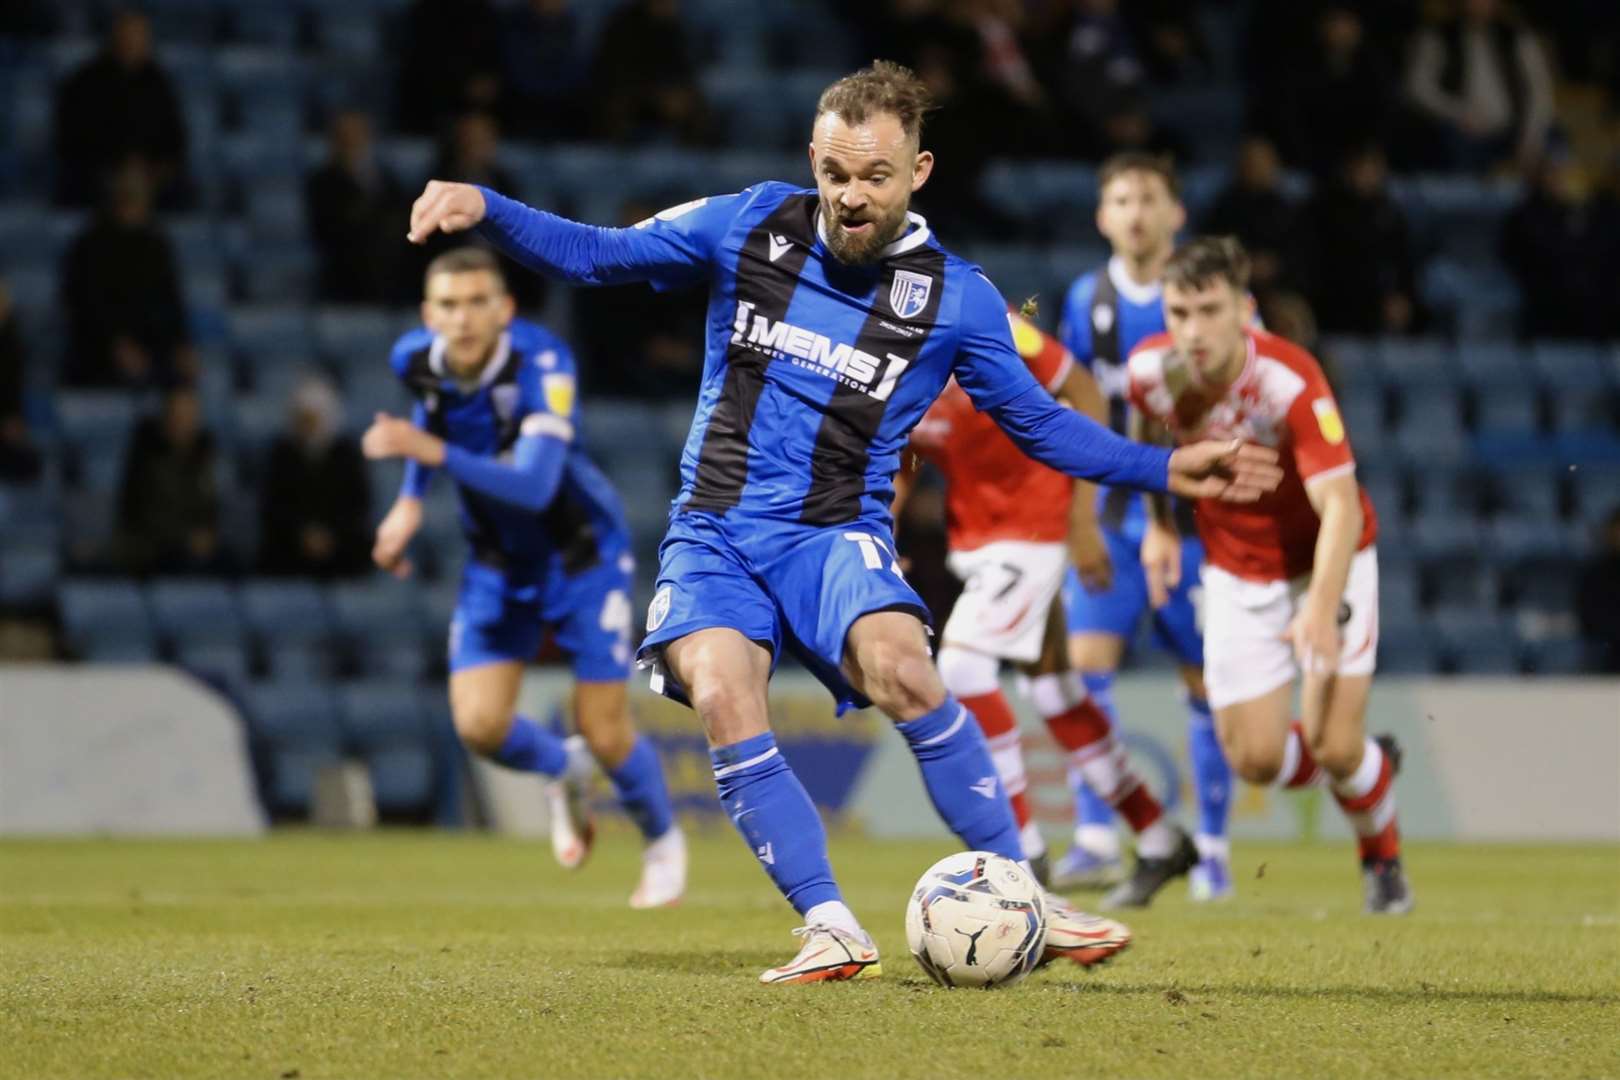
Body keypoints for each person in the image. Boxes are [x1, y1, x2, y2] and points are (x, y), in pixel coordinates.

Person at [404, 62, 1280, 984]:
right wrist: (487, 207)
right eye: (834, 175)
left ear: (919, 172)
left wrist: (1162, 468)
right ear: (810, 161)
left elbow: (1041, 423)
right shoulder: (746, 224)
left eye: (875, 177)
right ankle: (829, 924)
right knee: (721, 693)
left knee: (907, 669)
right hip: (716, 531)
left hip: (834, 533)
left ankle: (1027, 895)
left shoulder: (958, 298)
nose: (851, 198)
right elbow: (598, 254)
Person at [363, 247, 686, 909]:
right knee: (479, 725)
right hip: (497, 564)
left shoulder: (542, 364)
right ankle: (559, 767)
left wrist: (431, 455)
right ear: (429, 315)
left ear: (505, 308)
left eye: (480, 302)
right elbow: (433, 409)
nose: (464, 318)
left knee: (604, 727)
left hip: (580, 555)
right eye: (449, 306)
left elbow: (536, 486)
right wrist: (410, 500)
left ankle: (661, 843)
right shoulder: (414, 358)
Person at [1126, 236, 1412, 915]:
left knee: (1331, 745)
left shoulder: (1288, 379)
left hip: (1326, 562)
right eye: (1179, 311)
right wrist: (1161, 523)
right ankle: (1372, 765)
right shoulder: (1152, 371)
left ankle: (1382, 858)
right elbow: (1142, 435)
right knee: (1255, 760)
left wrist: (1317, 602)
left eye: (1208, 310)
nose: (1192, 330)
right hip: (1236, 573)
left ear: (1242, 309)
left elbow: (1340, 504)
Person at [898, 304, 1199, 908]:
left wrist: (1085, 516)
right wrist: (883, 531)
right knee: (1054, 691)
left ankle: (1022, 856)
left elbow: (1085, 392)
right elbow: (897, 457)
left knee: (962, 669)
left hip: (1037, 523)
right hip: (979, 540)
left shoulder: (986, 318)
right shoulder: (878, 346)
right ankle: (1161, 839)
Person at [1055, 152, 1234, 901]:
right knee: (1079, 669)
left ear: (1175, 213)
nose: (1134, 212)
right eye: (1121, 198)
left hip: (1194, 526)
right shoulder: (1084, 298)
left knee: (1204, 680)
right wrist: (1075, 522)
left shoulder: (1201, 300)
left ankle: (1216, 849)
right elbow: (1066, 410)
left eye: (1149, 198)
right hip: (1109, 517)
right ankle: (1096, 835)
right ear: (1102, 216)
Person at [60, 162, 194, 389]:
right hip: (98, 348)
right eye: (128, 196)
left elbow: (171, 299)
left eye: (139, 196)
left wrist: (180, 343)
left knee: (184, 373)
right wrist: (116, 344)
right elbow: (86, 305)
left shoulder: (156, 243)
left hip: (153, 345)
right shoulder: (89, 245)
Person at [51, 9, 188, 209]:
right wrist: (115, 168)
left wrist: (155, 169)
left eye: (139, 37)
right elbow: (71, 139)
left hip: (150, 179)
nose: (132, 43)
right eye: (127, 36)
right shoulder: (84, 83)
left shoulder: (160, 84)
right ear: (113, 38)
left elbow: (174, 138)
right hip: (96, 176)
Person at [1405, 0, 1555, 174]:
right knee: (1441, 140)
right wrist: (1458, 112)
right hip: (1462, 131)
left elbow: (1539, 93)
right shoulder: (1438, 35)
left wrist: (1530, 138)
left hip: (1512, 131)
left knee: (1554, 139)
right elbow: (1417, 88)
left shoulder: (1516, 37)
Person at [257, 376, 372, 579]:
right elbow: (274, 505)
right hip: (292, 545)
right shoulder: (282, 454)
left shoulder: (346, 455)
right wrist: (303, 535)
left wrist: (330, 536)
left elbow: (357, 506)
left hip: (339, 546)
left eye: (313, 419)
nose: (307, 426)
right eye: (303, 419)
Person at [117, 384, 223, 576]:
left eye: (191, 417)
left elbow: (210, 507)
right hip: (152, 548)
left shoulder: (203, 457)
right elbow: (145, 517)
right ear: (167, 419)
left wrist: (208, 535)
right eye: (180, 417)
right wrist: (187, 538)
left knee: (229, 561)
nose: (186, 424)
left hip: (194, 546)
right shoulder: (147, 458)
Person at [306, 110, 409, 306]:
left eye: (358, 135)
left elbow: (402, 215)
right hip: (344, 276)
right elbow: (330, 228)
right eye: (345, 137)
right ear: (334, 142)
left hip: (391, 275)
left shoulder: (386, 179)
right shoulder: (321, 182)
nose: (352, 142)